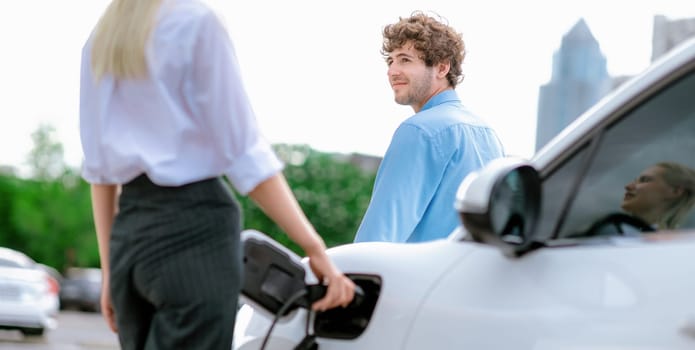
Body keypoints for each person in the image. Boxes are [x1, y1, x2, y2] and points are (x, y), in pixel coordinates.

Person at [79, 1, 355, 349]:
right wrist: (316, 250)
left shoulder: (102, 38)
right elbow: (245, 155)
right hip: (193, 233)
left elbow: (100, 173)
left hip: (129, 241)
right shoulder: (196, 22)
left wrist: (111, 272)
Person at [353, 11, 505, 243]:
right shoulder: (489, 134)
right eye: (390, 60)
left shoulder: (419, 131)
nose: (392, 71)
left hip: (418, 277)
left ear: (442, 68)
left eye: (405, 59)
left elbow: (378, 236)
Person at [621, 161, 695, 230]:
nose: (628, 186)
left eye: (644, 180)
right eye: (635, 181)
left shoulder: (671, 242)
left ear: (675, 191)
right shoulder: (623, 231)